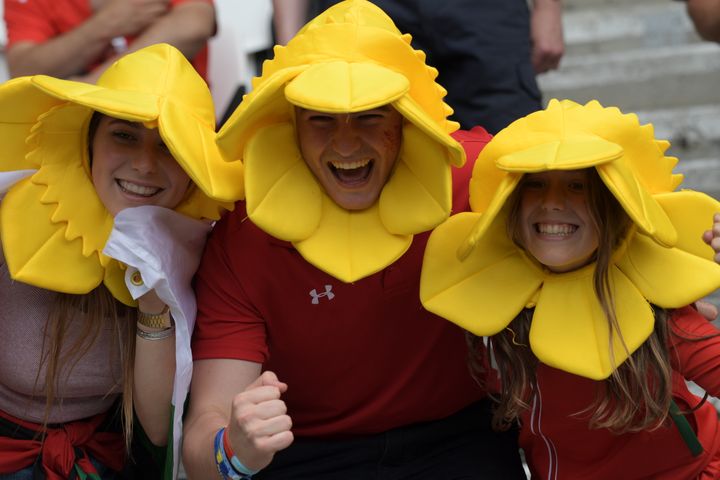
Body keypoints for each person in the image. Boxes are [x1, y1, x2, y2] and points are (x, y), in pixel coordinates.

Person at [182, 1, 527, 479]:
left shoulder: (470, 177)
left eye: (369, 116)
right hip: (309, 449)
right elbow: (205, 430)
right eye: (321, 119)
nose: (346, 144)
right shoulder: (244, 235)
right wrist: (235, 450)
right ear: (290, 126)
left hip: (459, 436)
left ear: (406, 122)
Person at [420, 98, 720, 479]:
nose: (552, 203)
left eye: (578, 185)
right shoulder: (500, 305)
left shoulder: (654, 308)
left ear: (615, 206)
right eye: (535, 185)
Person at [0, 43, 242, 479]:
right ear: (88, 140)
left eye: (169, 146)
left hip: (101, 459)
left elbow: (155, 427)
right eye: (124, 134)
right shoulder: (9, 211)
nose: (145, 164)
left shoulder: (202, 250)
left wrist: (155, 303)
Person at [272, 0, 564, 133]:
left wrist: (548, 7)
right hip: (364, 9)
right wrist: (290, 48)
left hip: (483, 11)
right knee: (363, 150)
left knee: (511, 147)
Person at [2, 0, 216, 84]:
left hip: (173, 126)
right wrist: (107, 23)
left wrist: (95, 84)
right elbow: (23, 71)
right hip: (75, 139)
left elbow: (195, 25)